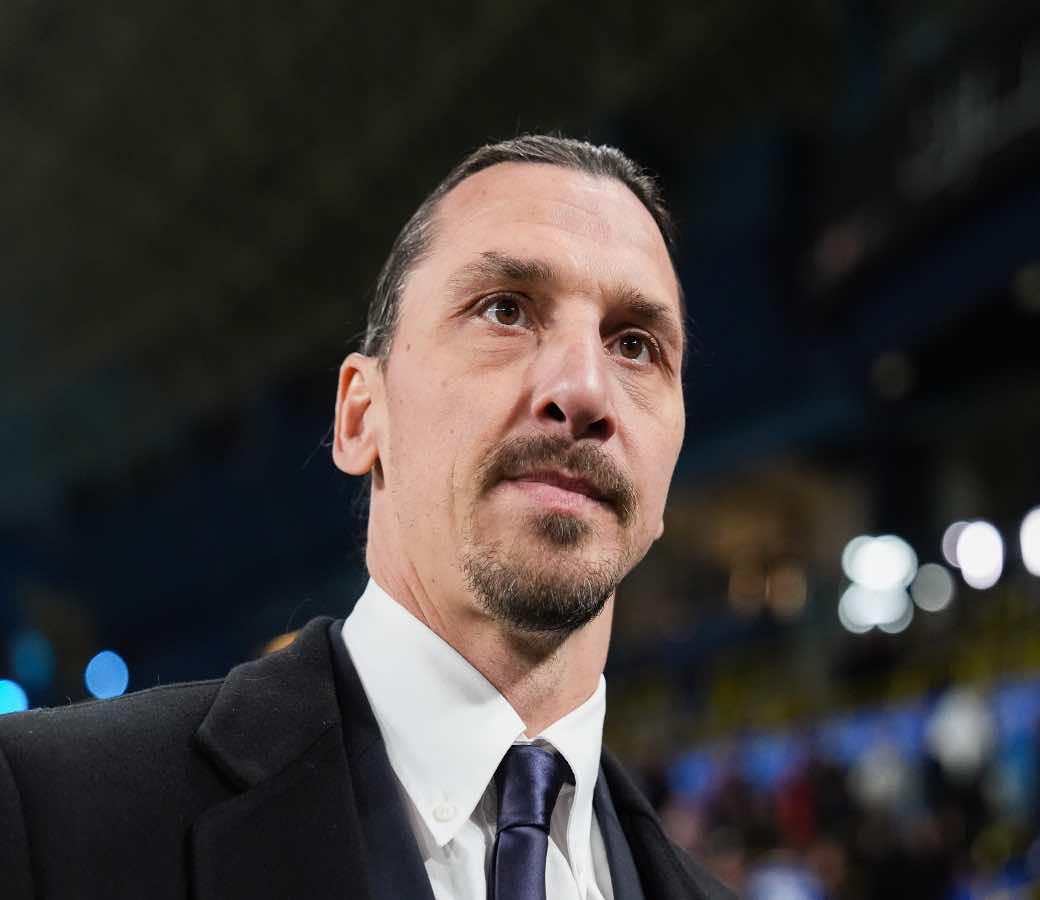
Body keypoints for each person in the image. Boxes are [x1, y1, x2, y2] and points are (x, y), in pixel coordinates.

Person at [0, 135, 733, 900]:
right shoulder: (43, 812)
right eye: (506, 310)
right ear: (359, 417)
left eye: (635, 346)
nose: (584, 389)